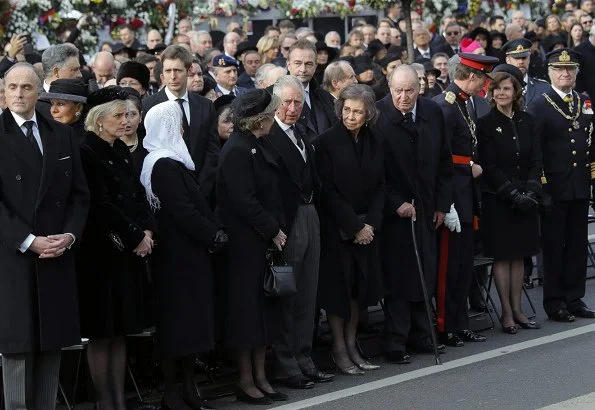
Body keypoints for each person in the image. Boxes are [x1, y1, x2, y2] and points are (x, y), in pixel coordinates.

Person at [0, 62, 89, 410]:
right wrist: (27, 240)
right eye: (12, 87)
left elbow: (80, 195)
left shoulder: (61, 133)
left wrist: (68, 235)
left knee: (53, 345)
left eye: (26, 87)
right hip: (14, 258)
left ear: (39, 92)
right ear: (4, 92)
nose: (19, 94)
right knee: (18, 348)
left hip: (56, 255)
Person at [140, 101, 225, 410]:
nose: (184, 129)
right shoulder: (163, 164)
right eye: (179, 123)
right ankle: (173, 394)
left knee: (190, 328)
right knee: (177, 329)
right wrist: (213, 233)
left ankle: (189, 390)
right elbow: (183, 211)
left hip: (187, 257)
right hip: (177, 260)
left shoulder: (171, 162)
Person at [77, 86, 155, 410]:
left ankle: (120, 400)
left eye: (128, 115)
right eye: (118, 115)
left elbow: (136, 194)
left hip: (127, 251)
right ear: (99, 120)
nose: (126, 121)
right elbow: (101, 204)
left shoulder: (120, 150)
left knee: (122, 329)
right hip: (100, 253)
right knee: (101, 332)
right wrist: (136, 234)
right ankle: (104, 401)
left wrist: (147, 229)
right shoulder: (87, 151)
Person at [376, 64, 453, 364]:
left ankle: (423, 333)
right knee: (399, 276)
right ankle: (395, 339)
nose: (403, 97)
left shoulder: (433, 113)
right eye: (398, 91)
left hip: (427, 206)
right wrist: (395, 202)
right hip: (395, 212)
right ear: (390, 88)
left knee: (426, 270)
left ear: (420, 88)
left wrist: (441, 205)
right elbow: (375, 172)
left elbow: (444, 164)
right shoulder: (379, 116)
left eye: (409, 91)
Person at [216, 89, 288, 405]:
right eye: (272, 113)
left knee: (263, 314)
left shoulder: (258, 144)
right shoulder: (237, 149)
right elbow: (244, 200)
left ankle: (262, 376)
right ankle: (246, 380)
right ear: (260, 117)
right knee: (246, 316)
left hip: (261, 244)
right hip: (244, 246)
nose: (276, 116)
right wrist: (273, 230)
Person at [265, 76, 334, 388]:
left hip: (310, 213)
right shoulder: (268, 136)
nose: (292, 109)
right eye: (286, 103)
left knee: (309, 290)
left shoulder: (303, 133)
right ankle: (286, 363)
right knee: (289, 294)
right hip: (287, 222)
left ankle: (304, 357)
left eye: (297, 102)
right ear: (275, 104)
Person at [316, 84, 385, 375]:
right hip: (339, 229)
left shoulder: (375, 140)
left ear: (368, 113)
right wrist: (355, 226)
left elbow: (382, 185)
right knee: (339, 292)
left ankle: (353, 344)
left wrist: (370, 224)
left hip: (367, 228)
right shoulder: (326, 142)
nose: (351, 116)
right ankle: (339, 349)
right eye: (346, 110)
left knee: (360, 290)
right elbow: (327, 191)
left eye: (357, 111)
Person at [433, 53, 499, 347]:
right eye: (484, 78)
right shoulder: (445, 107)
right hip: (453, 194)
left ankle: (459, 322)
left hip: (465, 192)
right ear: (472, 76)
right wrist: (465, 169)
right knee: (449, 264)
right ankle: (445, 325)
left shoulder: (461, 104)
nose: (485, 84)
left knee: (462, 264)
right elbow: (440, 158)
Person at [528, 49, 595, 322]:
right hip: (554, 187)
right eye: (559, 69)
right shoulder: (540, 105)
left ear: (577, 72)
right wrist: (542, 186)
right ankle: (555, 302)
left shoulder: (582, 101)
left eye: (570, 69)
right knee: (555, 247)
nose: (565, 73)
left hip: (579, 185)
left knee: (577, 244)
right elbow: (536, 151)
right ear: (550, 73)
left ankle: (574, 297)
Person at [477, 65, 542, 334]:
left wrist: (530, 191)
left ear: (515, 91)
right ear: (491, 92)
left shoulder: (528, 120)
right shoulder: (486, 124)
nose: (502, 92)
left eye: (507, 88)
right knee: (503, 257)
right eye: (497, 88)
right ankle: (506, 312)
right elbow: (489, 166)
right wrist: (511, 193)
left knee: (519, 256)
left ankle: (518, 309)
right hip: (500, 200)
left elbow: (536, 158)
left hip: (526, 199)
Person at [143, 45, 221, 201]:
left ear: (188, 71)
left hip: (203, 192)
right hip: (165, 192)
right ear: (162, 74)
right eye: (168, 71)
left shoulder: (205, 106)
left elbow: (212, 150)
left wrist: (201, 188)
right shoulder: (148, 106)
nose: (173, 76)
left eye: (177, 71)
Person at [286, 39, 337, 142]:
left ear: (315, 66)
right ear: (288, 64)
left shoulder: (326, 98)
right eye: (298, 63)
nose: (303, 69)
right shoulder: (273, 97)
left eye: (308, 64)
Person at [502, 38, 550, 110]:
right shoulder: (499, 89)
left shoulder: (543, 88)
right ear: (508, 60)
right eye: (516, 58)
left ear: (529, 59)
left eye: (524, 58)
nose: (521, 61)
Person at [39, 78, 88, 143]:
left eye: (60, 104)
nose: (53, 110)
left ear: (78, 108)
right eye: (52, 104)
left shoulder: (86, 141)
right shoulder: (48, 133)